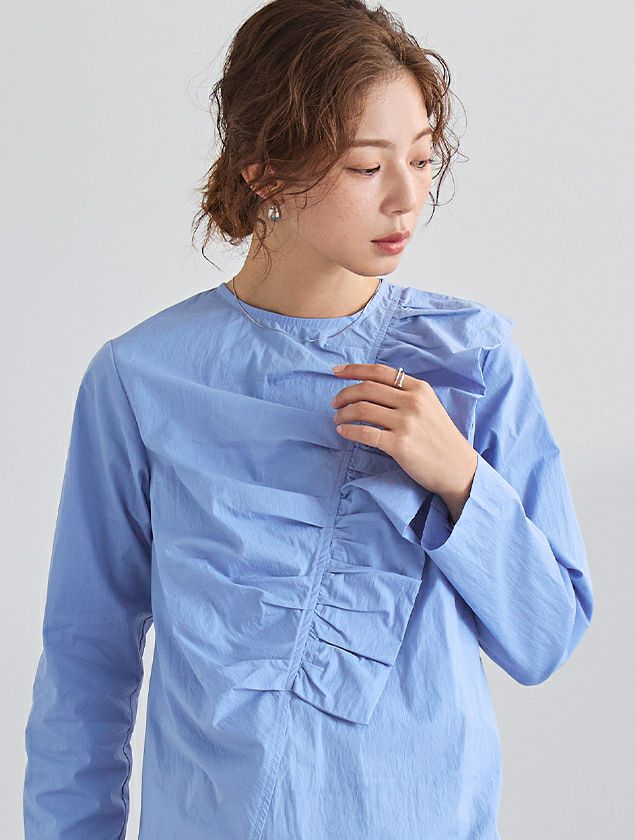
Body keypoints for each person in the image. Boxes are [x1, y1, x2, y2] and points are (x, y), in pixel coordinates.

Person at [22, 1, 595, 838]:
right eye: (366, 166)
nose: (407, 197)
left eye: (422, 158)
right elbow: (85, 663)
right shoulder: (140, 379)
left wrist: (460, 479)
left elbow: (543, 640)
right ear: (263, 171)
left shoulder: (470, 360)